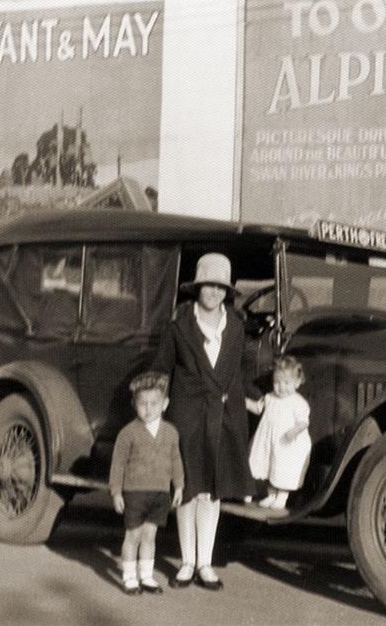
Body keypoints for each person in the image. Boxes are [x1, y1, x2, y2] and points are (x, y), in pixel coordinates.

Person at [153, 253, 255, 590]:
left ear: (227, 291)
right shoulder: (179, 326)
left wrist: (251, 402)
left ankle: (205, 564)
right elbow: (161, 367)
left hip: (223, 417)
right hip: (187, 415)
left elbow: (239, 372)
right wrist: (158, 401)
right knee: (187, 487)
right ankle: (186, 562)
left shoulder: (237, 327)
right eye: (207, 285)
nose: (212, 292)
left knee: (211, 491)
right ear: (197, 288)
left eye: (219, 287)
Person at [108, 371, 184, 596]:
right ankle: (129, 577)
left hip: (160, 493)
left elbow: (176, 460)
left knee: (150, 536)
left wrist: (178, 486)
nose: (148, 409)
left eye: (154, 403)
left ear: (165, 404)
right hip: (135, 493)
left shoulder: (171, 432)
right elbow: (118, 464)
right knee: (133, 536)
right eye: (143, 404)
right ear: (134, 404)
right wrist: (116, 492)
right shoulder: (127, 433)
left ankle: (146, 576)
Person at [247, 356, 311, 510]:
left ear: (297, 382)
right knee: (271, 465)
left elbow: (303, 422)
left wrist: (293, 432)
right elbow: (257, 408)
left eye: (287, 383)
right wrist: (241, 401)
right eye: (277, 382)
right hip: (269, 441)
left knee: (283, 467)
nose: (281, 387)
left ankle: (282, 496)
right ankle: (271, 495)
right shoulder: (269, 397)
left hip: (287, 443)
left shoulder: (298, 402)